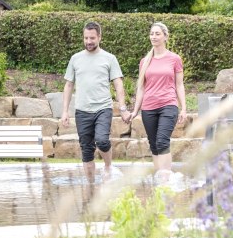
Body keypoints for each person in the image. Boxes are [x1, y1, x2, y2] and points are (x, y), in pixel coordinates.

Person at [61, 21, 130, 183]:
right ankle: (90, 185)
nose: (88, 41)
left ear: (99, 37)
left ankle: (108, 167)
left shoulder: (109, 58)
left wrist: (122, 107)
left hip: (103, 108)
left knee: (102, 140)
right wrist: (65, 111)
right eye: (86, 38)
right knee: (86, 149)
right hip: (82, 110)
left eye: (92, 38)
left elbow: (118, 83)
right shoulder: (75, 58)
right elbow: (69, 84)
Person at [129, 22, 187, 184]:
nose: (154, 37)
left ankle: (166, 178)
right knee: (154, 144)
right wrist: (135, 110)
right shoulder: (144, 61)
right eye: (152, 34)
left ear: (165, 37)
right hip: (148, 108)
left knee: (162, 141)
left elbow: (179, 85)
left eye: (157, 34)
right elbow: (141, 88)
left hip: (168, 105)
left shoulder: (174, 59)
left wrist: (184, 109)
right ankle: (159, 180)